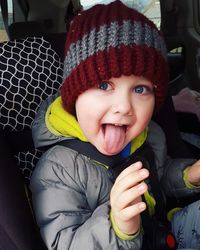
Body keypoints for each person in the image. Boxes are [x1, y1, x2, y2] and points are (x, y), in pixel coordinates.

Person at [30, 1, 200, 249]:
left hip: (164, 230)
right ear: (74, 95)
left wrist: (189, 176)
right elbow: (63, 243)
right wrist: (117, 225)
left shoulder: (151, 134)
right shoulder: (59, 169)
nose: (124, 106)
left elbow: (159, 177)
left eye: (140, 89)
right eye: (103, 86)